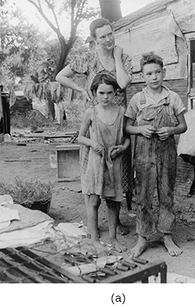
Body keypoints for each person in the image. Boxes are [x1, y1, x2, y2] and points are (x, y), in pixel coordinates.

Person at [56, 17, 132, 235]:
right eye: (102, 37)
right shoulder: (88, 58)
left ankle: (115, 222)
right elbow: (60, 76)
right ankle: (93, 223)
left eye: (110, 34)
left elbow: (124, 83)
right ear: (94, 39)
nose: (108, 39)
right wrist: (80, 90)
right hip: (95, 122)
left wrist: (116, 56)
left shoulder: (123, 58)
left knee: (117, 170)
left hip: (117, 123)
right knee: (94, 169)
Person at [125, 52, 187, 257]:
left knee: (166, 194)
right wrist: (141, 130)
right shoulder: (137, 99)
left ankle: (167, 236)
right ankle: (142, 238)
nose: (154, 77)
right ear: (143, 76)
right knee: (143, 196)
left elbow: (183, 126)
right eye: (149, 73)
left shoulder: (173, 98)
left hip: (167, 153)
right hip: (143, 155)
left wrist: (170, 130)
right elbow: (127, 127)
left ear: (164, 73)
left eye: (157, 72)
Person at [77, 72, 129, 253]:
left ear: (115, 93)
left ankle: (113, 238)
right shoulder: (91, 112)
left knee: (114, 201)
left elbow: (127, 138)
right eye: (101, 93)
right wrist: (92, 143)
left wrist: (122, 148)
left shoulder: (122, 112)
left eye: (109, 92)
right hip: (96, 162)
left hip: (114, 162)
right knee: (93, 201)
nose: (105, 97)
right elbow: (80, 137)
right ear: (94, 93)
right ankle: (94, 239)